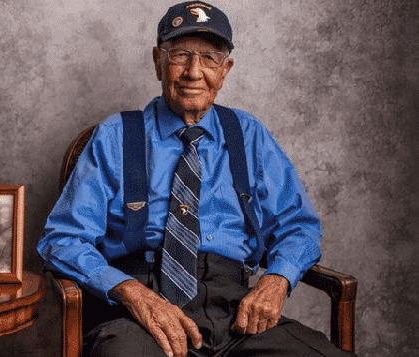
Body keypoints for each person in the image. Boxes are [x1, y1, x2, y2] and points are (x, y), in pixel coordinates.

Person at [37, 2, 357, 356]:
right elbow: (62, 239)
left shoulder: (248, 134)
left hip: (238, 314)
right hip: (142, 315)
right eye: (180, 55)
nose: (193, 71)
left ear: (226, 70)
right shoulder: (116, 136)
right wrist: (132, 292)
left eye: (209, 58)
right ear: (158, 61)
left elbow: (299, 226)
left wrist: (277, 280)